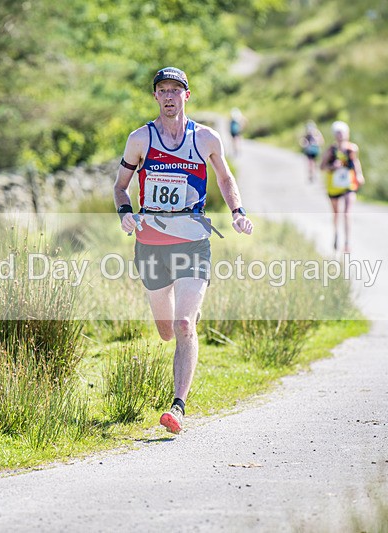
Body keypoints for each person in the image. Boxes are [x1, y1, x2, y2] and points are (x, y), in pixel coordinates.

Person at [113, 67, 254, 434]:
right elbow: (120, 186)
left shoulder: (206, 138)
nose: (170, 96)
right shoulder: (140, 139)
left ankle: (177, 407)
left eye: (176, 90)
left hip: (193, 242)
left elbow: (225, 177)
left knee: (184, 323)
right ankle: (172, 335)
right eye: (163, 90)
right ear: (156, 97)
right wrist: (126, 213)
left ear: (187, 95)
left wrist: (237, 212)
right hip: (152, 246)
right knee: (164, 329)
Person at [321, 120, 365, 253]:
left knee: (346, 213)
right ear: (335, 135)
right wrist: (332, 167)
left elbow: (355, 162)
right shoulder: (331, 150)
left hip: (348, 184)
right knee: (336, 214)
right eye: (338, 133)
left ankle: (347, 242)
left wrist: (359, 175)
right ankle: (336, 234)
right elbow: (322, 167)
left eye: (342, 132)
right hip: (334, 186)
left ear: (347, 133)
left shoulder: (352, 149)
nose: (340, 135)